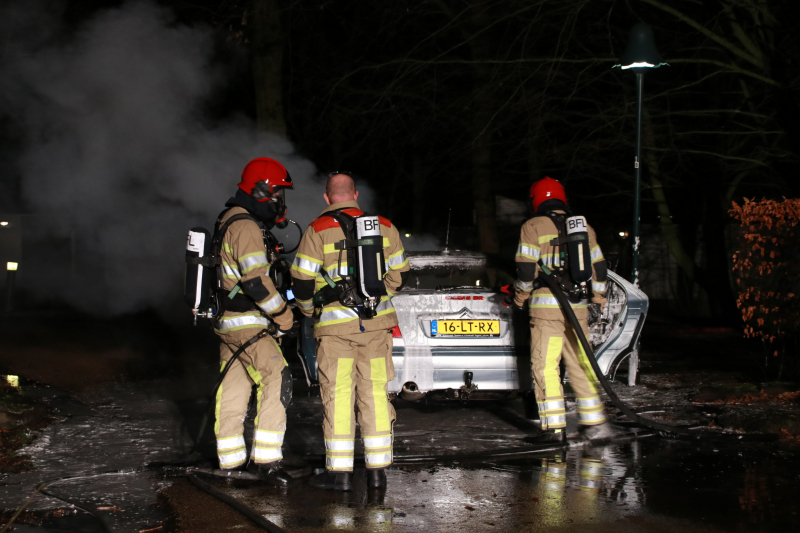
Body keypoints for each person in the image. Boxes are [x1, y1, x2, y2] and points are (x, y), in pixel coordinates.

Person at [290, 172, 409, 491]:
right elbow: (401, 274)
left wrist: (307, 308)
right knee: (374, 394)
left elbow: (301, 280)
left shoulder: (317, 229)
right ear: (356, 194)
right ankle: (377, 472)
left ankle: (340, 476)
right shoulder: (384, 226)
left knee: (338, 395)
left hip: (335, 331)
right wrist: (379, 295)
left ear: (327, 198)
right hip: (376, 328)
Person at [510, 177, 618, 443]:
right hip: (578, 307)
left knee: (546, 366)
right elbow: (601, 268)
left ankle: (554, 430)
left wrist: (520, 298)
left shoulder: (532, 226)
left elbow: (526, 269)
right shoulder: (584, 227)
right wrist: (598, 298)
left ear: (535, 199)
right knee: (581, 364)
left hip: (547, 310)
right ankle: (595, 425)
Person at [213, 157, 297, 486]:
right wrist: (284, 317)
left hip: (227, 323)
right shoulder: (246, 226)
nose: (281, 202)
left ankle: (230, 462)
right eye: (278, 194)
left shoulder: (227, 220)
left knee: (233, 388)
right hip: (249, 323)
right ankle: (266, 461)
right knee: (278, 378)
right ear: (262, 190)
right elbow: (257, 283)